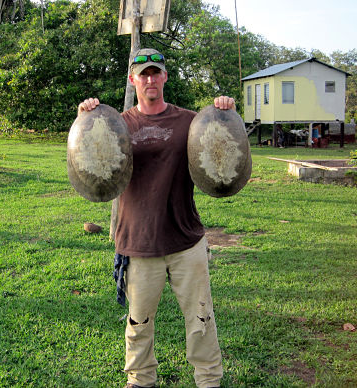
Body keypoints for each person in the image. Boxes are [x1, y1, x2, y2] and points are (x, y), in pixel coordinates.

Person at [78, 48, 236, 388]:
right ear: (133, 79)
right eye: (143, 74)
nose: (150, 79)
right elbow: (88, 155)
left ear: (165, 77)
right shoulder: (116, 125)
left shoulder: (191, 122)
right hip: (138, 241)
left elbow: (221, 143)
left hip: (185, 240)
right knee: (138, 322)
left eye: (156, 73)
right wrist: (86, 118)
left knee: (201, 319)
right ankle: (140, 379)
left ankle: (209, 380)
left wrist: (225, 112)